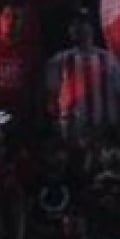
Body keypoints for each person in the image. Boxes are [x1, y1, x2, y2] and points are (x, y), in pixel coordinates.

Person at [44, 13, 120, 145]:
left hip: (105, 129)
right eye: (76, 24)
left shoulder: (109, 59)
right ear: (70, 31)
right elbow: (51, 96)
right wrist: (56, 121)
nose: (82, 28)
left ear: (92, 28)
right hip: (72, 129)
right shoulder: (59, 60)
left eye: (85, 23)